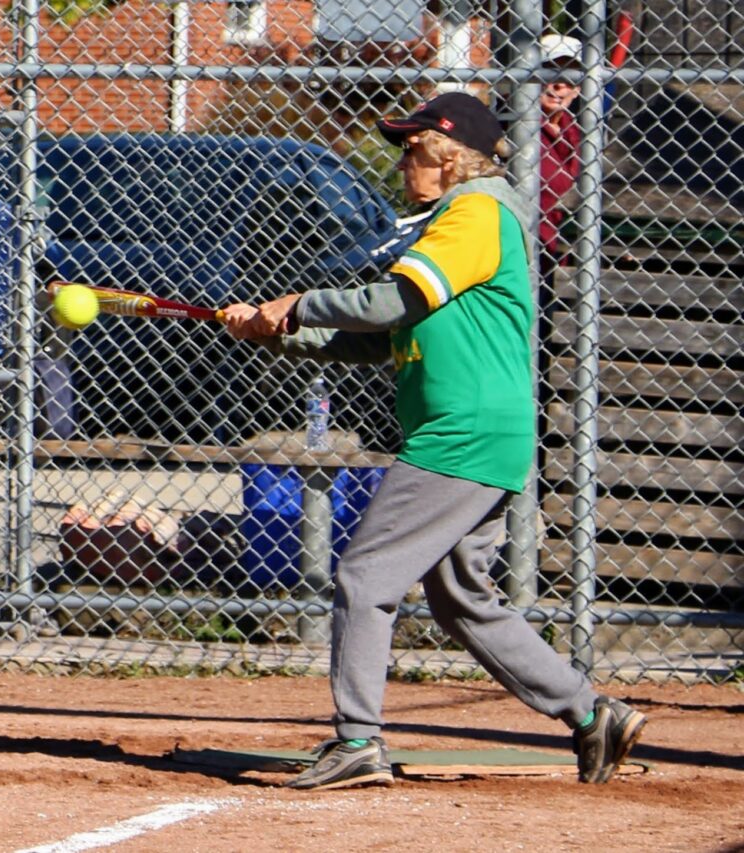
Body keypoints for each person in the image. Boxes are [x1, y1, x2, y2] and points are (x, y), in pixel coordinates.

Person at [223, 92, 646, 791]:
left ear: (449, 156)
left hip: (463, 433)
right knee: (460, 597)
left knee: (364, 577)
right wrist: (281, 331)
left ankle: (357, 740)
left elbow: (390, 301)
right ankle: (593, 713)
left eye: (412, 148)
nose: (401, 161)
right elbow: (391, 335)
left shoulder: (477, 210)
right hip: (480, 432)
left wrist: (296, 303)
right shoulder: (454, 222)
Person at [538, 34, 584, 281]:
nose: (560, 85)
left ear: (577, 89)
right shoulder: (509, 124)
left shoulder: (574, 132)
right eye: (550, 72)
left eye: (570, 77)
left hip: (557, 257)